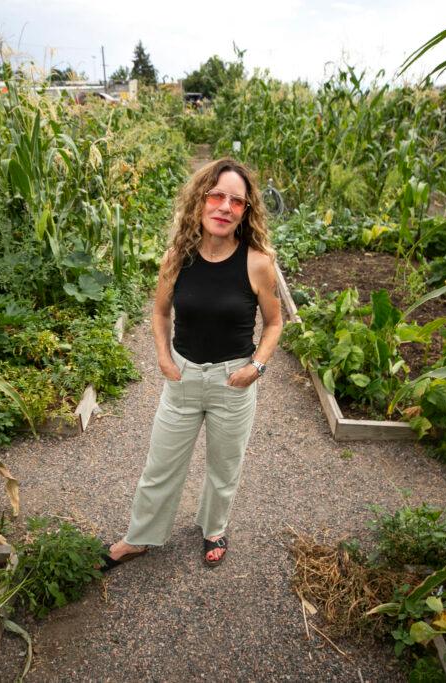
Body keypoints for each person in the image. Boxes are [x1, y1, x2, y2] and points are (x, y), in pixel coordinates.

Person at [102, 158, 283, 569]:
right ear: (200, 202)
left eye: (236, 200)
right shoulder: (176, 257)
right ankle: (140, 537)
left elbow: (274, 323)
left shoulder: (257, 261)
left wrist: (256, 367)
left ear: (246, 210)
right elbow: (160, 312)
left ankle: (213, 528)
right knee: (160, 466)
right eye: (216, 195)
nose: (224, 207)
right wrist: (164, 357)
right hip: (182, 379)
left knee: (225, 467)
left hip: (232, 383)